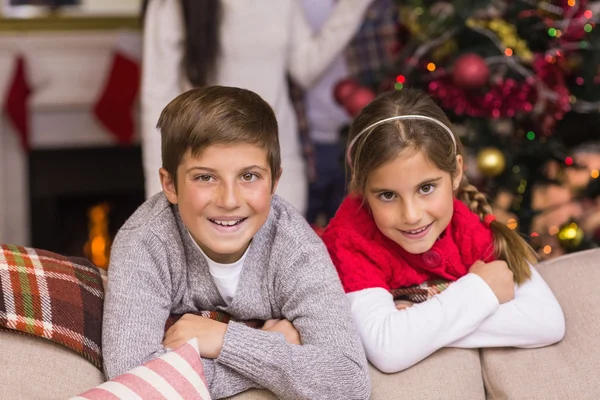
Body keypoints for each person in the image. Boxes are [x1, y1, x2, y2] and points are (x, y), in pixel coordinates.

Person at [102, 86, 370, 399]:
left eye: (249, 176)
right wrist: (273, 349)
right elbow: (134, 384)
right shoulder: (145, 243)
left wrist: (225, 340)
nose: (229, 200)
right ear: (170, 185)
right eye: (205, 177)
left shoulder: (294, 245)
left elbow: (349, 381)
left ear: (274, 182)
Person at [322, 88, 566, 373]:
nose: (411, 215)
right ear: (362, 189)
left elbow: (547, 322)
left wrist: (419, 323)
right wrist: (480, 290)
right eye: (387, 195)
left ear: (457, 172)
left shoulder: (469, 226)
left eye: (426, 188)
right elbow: (388, 350)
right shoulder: (349, 240)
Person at [140, 0, 375, 215]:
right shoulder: (171, 5)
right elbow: (157, 99)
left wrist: (352, 7)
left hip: (277, 168)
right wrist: (160, 196)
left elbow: (305, 67)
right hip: (207, 176)